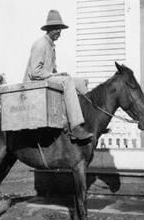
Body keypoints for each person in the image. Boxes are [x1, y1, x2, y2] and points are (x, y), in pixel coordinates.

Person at [23, 10, 93, 142]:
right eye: (56, 29)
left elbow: (50, 71)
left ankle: (90, 120)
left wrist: (57, 74)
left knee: (81, 82)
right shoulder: (40, 44)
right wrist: (56, 75)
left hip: (45, 81)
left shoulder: (51, 46)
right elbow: (35, 72)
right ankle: (76, 127)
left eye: (60, 29)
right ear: (48, 29)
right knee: (66, 81)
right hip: (34, 85)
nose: (59, 32)